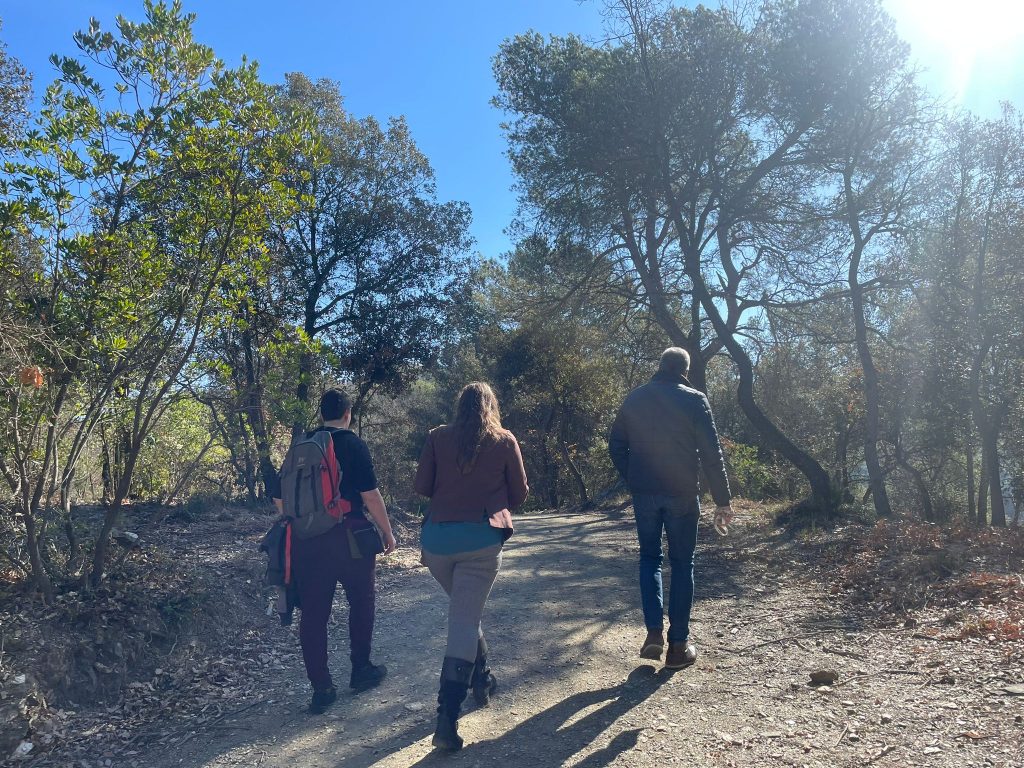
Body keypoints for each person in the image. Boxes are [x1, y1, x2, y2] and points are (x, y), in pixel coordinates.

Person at [414, 382, 529, 751]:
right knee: (465, 619)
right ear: (491, 406)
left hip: (436, 545)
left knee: (466, 613)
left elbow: (422, 487)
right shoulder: (504, 440)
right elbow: (520, 494)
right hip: (481, 541)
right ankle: (446, 719)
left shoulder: (436, 437)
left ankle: (482, 678)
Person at [271, 388, 396, 714]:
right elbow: (370, 496)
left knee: (313, 614)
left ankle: (322, 689)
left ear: (321, 413)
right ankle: (360, 669)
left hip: (306, 542)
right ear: (347, 413)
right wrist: (387, 531)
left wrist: (307, 521)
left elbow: (280, 500)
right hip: (350, 535)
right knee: (362, 601)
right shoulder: (352, 444)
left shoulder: (300, 446)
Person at [608, 347, 734, 669]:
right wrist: (722, 500)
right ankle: (678, 647)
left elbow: (616, 446)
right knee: (682, 563)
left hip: (645, 494)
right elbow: (712, 453)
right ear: (685, 371)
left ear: (660, 366)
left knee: (649, 558)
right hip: (682, 493)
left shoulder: (635, 398)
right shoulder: (695, 399)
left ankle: (653, 634)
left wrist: (634, 476)